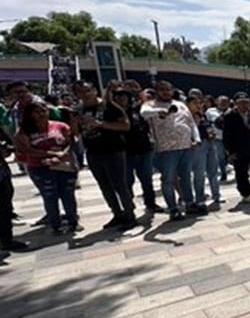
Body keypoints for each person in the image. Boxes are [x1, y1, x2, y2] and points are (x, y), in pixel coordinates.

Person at [74, 81, 137, 229]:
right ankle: (117, 213)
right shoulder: (78, 110)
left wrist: (101, 124)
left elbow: (126, 125)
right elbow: (76, 133)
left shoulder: (110, 106)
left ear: (94, 90)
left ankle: (130, 215)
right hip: (93, 152)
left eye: (87, 90)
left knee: (120, 185)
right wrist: (75, 123)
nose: (85, 94)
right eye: (80, 92)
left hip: (114, 150)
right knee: (104, 186)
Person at [14, 102, 81, 234]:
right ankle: (55, 224)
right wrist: (50, 155)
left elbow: (71, 140)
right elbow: (27, 150)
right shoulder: (23, 131)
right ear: (30, 114)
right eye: (37, 112)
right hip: (40, 168)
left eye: (44, 111)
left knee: (68, 195)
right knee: (50, 196)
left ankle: (73, 221)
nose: (41, 114)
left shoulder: (60, 126)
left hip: (63, 165)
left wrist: (63, 154)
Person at [141, 80, 199, 221]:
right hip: (166, 150)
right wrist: (158, 111)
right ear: (157, 91)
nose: (166, 92)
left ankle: (189, 203)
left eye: (168, 89)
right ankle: (173, 209)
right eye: (162, 89)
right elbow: (144, 113)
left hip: (186, 147)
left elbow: (190, 123)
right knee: (168, 179)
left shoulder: (180, 104)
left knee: (186, 177)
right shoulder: (150, 105)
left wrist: (196, 138)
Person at [117, 88, 159, 213]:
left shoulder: (137, 110)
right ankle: (129, 208)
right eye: (118, 97)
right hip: (125, 152)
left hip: (144, 149)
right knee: (127, 181)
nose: (121, 99)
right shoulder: (113, 113)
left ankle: (150, 203)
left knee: (147, 179)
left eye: (124, 96)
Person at [186, 95, 219, 212]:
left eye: (200, 103)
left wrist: (212, 134)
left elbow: (209, 127)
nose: (198, 105)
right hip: (198, 147)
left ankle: (216, 195)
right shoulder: (187, 117)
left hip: (210, 143)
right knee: (199, 173)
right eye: (195, 103)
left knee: (213, 170)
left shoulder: (203, 115)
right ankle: (200, 199)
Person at [0, 126, 29, 252]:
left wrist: (6, 149)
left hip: (2, 174)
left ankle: (6, 240)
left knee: (5, 208)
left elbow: (7, 146)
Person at [206, 95, 231, 182]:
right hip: (217, 137)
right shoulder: (210, 111)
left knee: (232, 155)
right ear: (216, 102)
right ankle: (223, 173)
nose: (223, 103)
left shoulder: (231, 112)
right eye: (221, 101)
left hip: (230, 137)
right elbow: (209, 123)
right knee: (220, 156)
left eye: (225, 102)